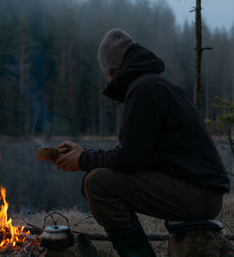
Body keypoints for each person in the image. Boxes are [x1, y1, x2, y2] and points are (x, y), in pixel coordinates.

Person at [53, 28, 230, 257]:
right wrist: (85, 154)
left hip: (199, 195)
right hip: (200, 191)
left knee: (98, 183)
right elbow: (136, 156)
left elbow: (129, 160)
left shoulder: (144, 89)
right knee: (98, 177)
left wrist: (84, 159)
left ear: (110, 69)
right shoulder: (151, 84)